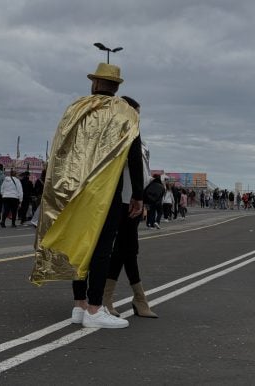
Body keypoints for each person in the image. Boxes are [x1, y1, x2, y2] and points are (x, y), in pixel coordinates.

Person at [30, 62, 140, 329]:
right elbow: (133, 154)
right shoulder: (125, 112)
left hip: (74, 191)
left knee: (79, 244)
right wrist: (138, 194)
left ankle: (79, 305)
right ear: (116, 87)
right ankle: (94, 308)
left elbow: (59, 149)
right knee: (102, 249)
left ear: (94, 83)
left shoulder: (76, 108)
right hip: (105, 192)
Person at [102, 95, 157, 319]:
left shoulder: (140, 142)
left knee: (125, 251)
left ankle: (111, 297)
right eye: (135, 113)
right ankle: (137, 298)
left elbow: (141, 173)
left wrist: (143, 198)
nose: (138, 118)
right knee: (127, 250)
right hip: (121, 200)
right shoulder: (119, 136)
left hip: (135, 201)